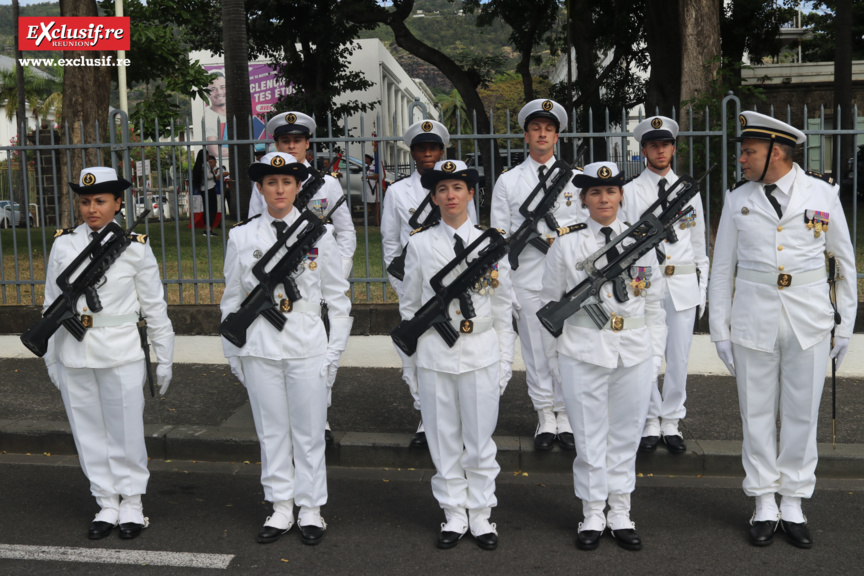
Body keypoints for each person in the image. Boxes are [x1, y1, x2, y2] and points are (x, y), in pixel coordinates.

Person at [709, 111, 856, 549]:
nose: (741, 158)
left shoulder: (822, 194)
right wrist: (719, 330)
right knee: (755, 414)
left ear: (777, 152)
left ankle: (792, 501)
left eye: (749, 152)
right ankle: (763, 502)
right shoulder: (738, 199)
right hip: (753, 320)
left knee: (801, 415)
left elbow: (844, 263)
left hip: (809, 321)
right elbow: (722, 270)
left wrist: (845, 325)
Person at [221, 152, 353, 545]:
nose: (279, 189)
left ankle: (310, 508)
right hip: (259, 347)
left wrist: (333, 353)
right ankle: (281, 506)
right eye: (271, 183)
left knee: (309, 432)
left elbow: (338, 298)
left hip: (307, 344)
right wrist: (234, 353)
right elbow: (232, 300)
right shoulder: (242, 236)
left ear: (298, 187)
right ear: (260, 189)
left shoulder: (319, 234)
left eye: (286, 182)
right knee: (272, 432)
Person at [43, 167, 174, 540]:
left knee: (125, 431)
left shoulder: (135, 247)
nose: (91, 209)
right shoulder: (64, 245)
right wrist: (51, 357)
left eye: (100, 201)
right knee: (87, 433)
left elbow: (155, 306)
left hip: (120, 351)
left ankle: (131, 502)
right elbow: (51, 304)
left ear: (118, 203)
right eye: (85, 202)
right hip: (73, 351)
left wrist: (164, 355)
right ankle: (105, 502)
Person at [540, 162, 666, 551]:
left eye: (610, 191)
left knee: (626, 436)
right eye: (595, 192)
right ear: (584, 199)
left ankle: (621, 511)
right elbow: (549, 308)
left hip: (633, 353)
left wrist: (654, 358)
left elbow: (655, 308)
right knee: (589, 436)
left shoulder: (641, 241)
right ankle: (593, 511)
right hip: (582, 352)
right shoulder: (566, 244)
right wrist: (555, 361)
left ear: (621, 196)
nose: (604, 199)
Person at [399, 159, 516, 550]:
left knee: (480, 441)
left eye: (458, 188)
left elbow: (503, 309)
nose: (451, 195)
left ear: (470, 194)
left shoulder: (492, 243)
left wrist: (504, 363)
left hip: (482, 353)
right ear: (433, 198)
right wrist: (410, 368)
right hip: (435, 354)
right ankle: (453, 513)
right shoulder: (419, 244)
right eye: (443, 189)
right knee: (443, 440)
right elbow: (410, 309)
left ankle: (480, 513)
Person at [248, 112, 357, 444]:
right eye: (285, 141)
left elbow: (345, 232)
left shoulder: (328, 184)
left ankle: (320, 418)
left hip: (317, 277)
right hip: (279, 279)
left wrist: (336, 272)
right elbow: (255, 229)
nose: (291, 146)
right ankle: (287, 417)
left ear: (307, 143)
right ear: (276, 144)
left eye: (297, 140)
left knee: (323, 348)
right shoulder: (265, 181)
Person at [491, 99, 587, 452]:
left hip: (567, 279)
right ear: (526, 135)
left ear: (557, 136)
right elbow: (499, 238)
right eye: (536, 128)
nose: (542, 134)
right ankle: (546, 415)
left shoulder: (576, 179)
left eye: (548, 129)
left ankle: (567, 415)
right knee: (535, 351)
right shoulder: (508, 181)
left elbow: (586, 229)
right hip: (527, 279)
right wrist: (507, 287)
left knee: (566, 348)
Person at [381, 119, 478, 448]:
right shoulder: (397, 192)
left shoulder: (458, 186)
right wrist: (404, 289)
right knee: (415, 351)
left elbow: (471, 237)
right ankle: (426, 414)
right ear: (412, 153)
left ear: (442, 151)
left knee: (458, 349)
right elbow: (390, 244)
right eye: (421, 148)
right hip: (416, 287)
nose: (427, 154)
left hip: (457, 287)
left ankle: (459, 417)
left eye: (433, 148)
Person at [621, 116, 708, 454]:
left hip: (682, 283)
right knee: (646, 355)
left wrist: (701, 290)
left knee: (679, 358)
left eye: (666, 144)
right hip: (645, 284)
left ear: (673, 148)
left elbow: (698, 244)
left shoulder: (688, 191)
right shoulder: (630, 192)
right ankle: (650, 419)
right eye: (654, 145)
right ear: (643, 150)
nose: (661, 150)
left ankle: (671, 420)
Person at [204, 71, 228, 162]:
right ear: (207, 94)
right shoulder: (207, 117)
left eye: (223, 87)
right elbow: (216, 151)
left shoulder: (239, 113)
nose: (219, 92)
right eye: (213, 89)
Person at [363, 153, 381, 225]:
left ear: (369, 159)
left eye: (365, 158)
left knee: (376, 204)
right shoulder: (365, 168)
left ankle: (377, 221)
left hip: (374, 187)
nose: (364, 160)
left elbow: (378, 176)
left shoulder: (374, 168)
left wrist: (368, 177)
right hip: (366, 187)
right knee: (366, 204)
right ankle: (365, 221)